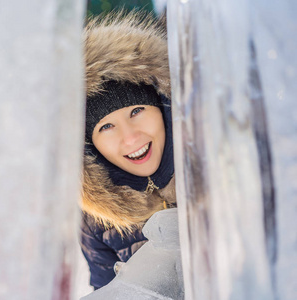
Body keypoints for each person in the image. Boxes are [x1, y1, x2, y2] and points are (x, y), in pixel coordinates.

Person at [80, 11, 176, 290]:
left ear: (163, 107)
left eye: (137, 110)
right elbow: (106, 287)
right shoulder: (95, 224)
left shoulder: (208, 168)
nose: (131, 137)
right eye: (106, 126)